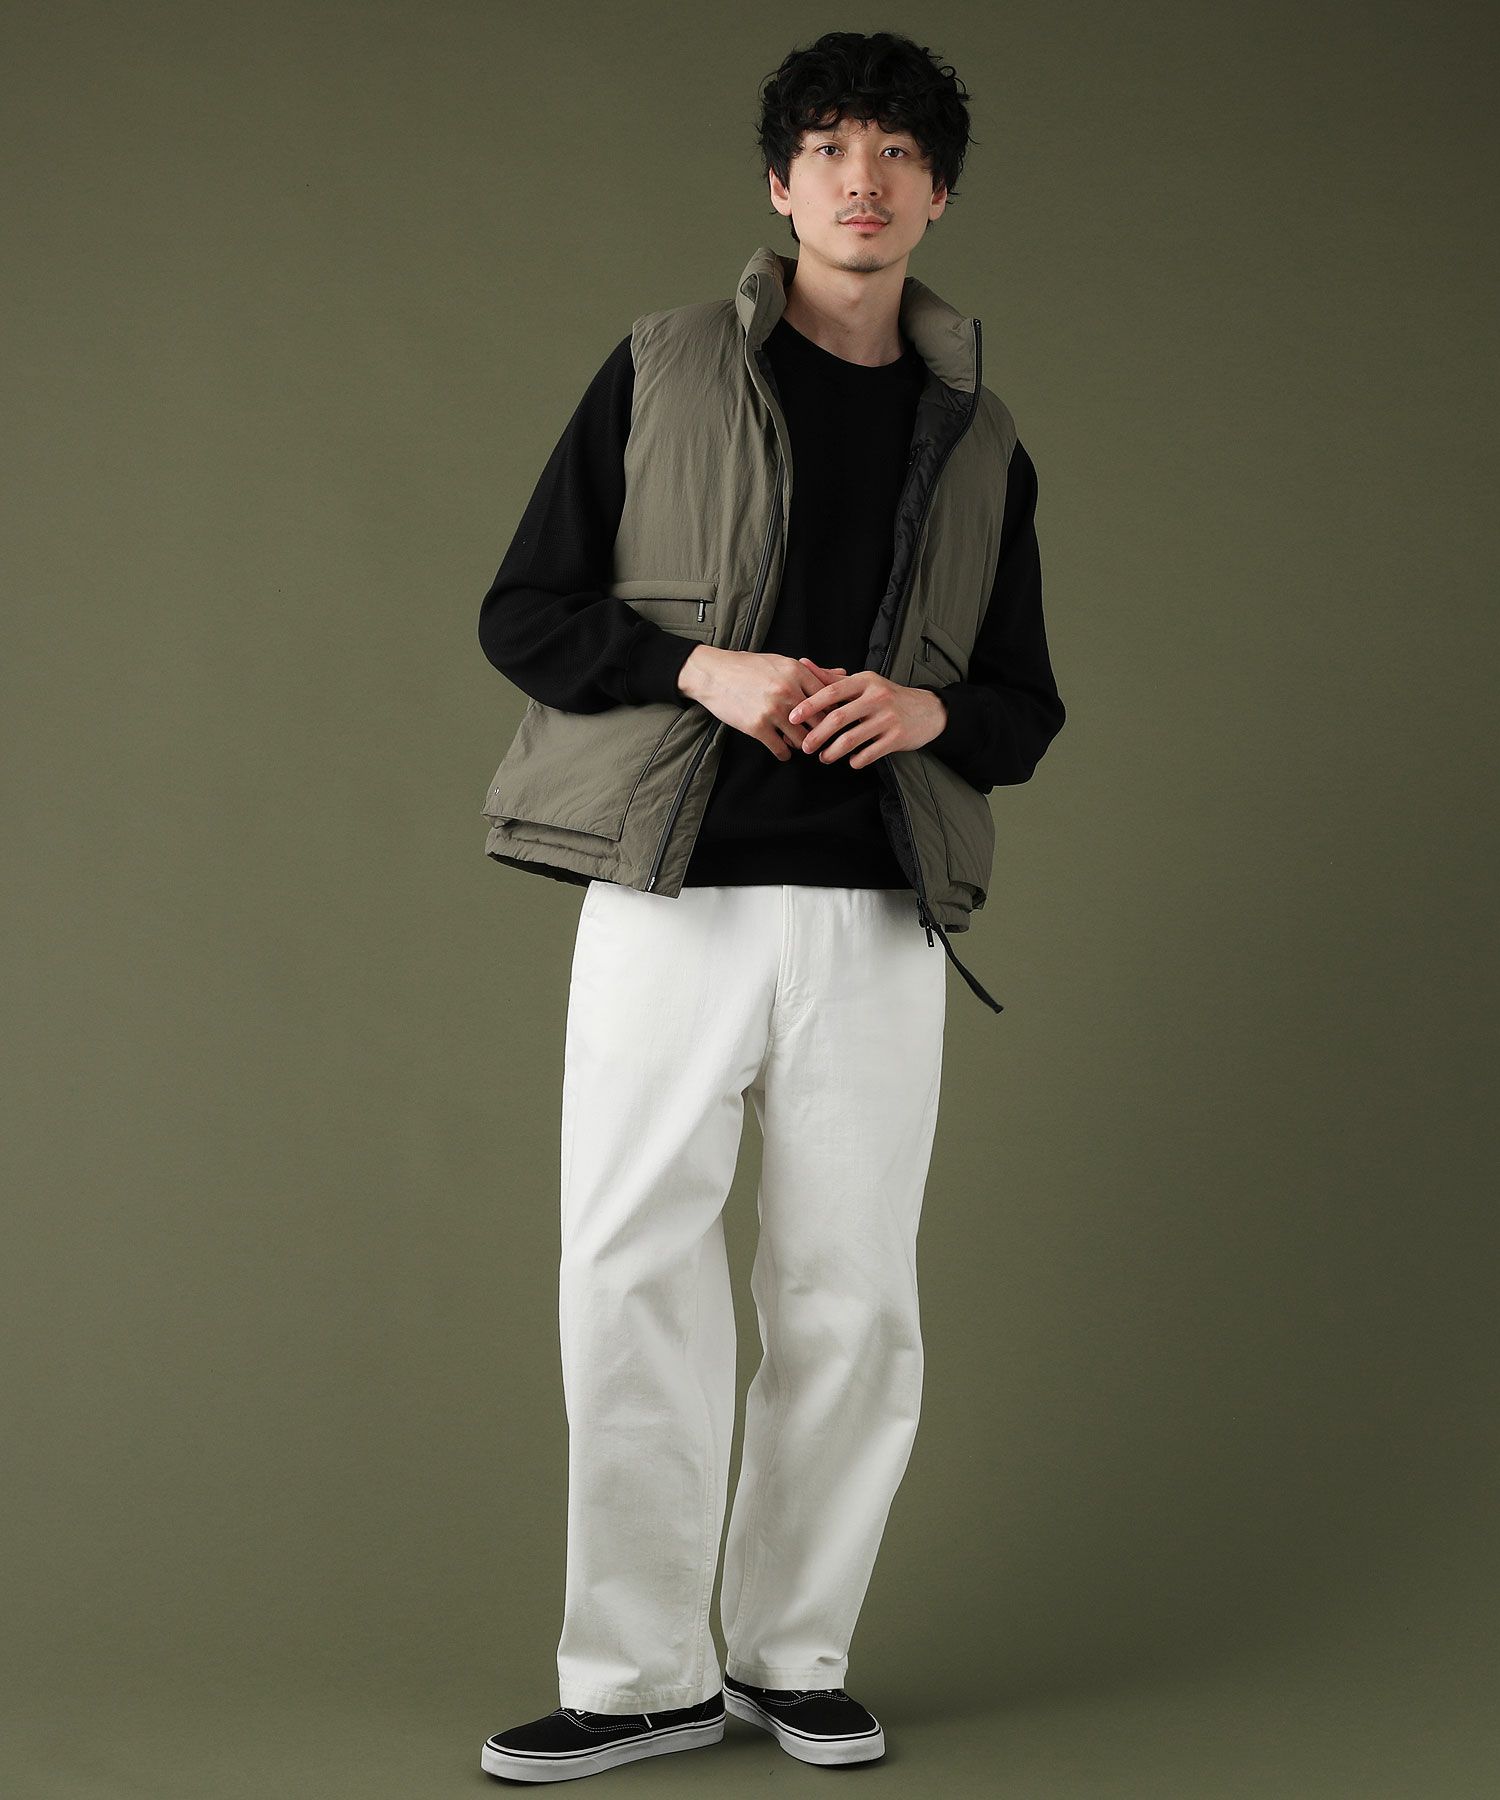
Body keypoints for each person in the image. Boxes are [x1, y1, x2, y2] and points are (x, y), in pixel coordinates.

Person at [477, 29, 1066, 1784]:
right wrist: (701, 669)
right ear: (779, 181)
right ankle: (634, 1677)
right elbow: (525, 611)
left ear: (939, 194)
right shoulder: (662, 367)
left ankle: (789, 1658)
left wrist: (930, 715)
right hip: (672, 895)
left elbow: (1023, 705)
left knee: (851, 1300)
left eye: (897, 153)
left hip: (878, 912)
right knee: (628, 1271)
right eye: (828, 147)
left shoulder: (983, 439)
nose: (861, 179)